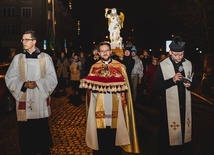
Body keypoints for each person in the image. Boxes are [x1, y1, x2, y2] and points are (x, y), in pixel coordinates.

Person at [79, 42, 140, 155]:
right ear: (98, 52)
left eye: (107, 50)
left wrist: (120, 92)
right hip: (99, 108)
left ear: (111, 51)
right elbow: (89, 91)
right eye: (102, 51)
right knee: (100, 142)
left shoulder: (120, 67)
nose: (105, 53)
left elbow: (126, 90)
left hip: (116, 107)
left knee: (114, 143)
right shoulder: (94, 67)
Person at [5, 30, 58, 155]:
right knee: (26, 138)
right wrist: (23, 84)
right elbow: (10, 78)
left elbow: (52, 78)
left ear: (34, 41)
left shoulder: (45, 58)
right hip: (24, 98)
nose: (24, 42)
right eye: (23, 40)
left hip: (40, 99)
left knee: (41, 136)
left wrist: (38, 83)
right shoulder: (18, 58)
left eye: (26, 39)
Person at [153, 36, 198, 155]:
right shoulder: (162, 66)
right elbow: (156, 87)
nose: (179, 57)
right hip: (169, 109)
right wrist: (171, 80)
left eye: (181, 54)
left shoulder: (188, 64)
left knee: (185, 135)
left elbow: (195, 82)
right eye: (176, 54)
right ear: (170, 52)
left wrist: (191, 85)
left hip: (185, 108)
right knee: (169, 139)